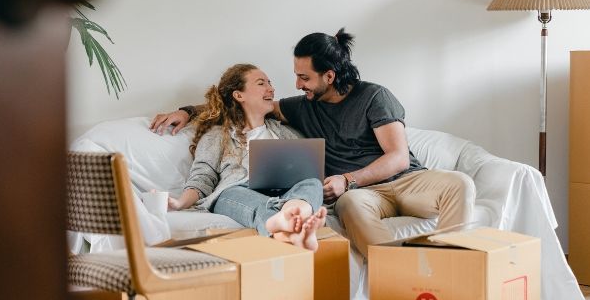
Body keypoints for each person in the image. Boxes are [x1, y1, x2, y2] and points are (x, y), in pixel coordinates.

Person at [151, 29, 475, 258]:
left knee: (460, 184)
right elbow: (236, 108)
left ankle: (451, 263)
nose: (295, 84)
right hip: (359, 197)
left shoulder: (374, 97)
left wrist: (346, 180)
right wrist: (188, 111)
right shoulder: (299, 106)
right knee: (349, 206)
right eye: (295, 75)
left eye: (304, 77)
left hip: (405, 182)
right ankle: (395, 269)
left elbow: (398, 158)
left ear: (329, 77)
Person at [168, 63, 327, 251]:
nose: (271, 88)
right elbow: (202, 177)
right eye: (261, 83)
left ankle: (292, 220)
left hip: (285, 193)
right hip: (237, 192)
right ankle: (289, 225)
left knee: (312, 182)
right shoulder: (217, 135)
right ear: (238, 95)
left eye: (270, 83)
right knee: (230, 193)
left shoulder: (287, 132)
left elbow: (309, 172)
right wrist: (179, 203)